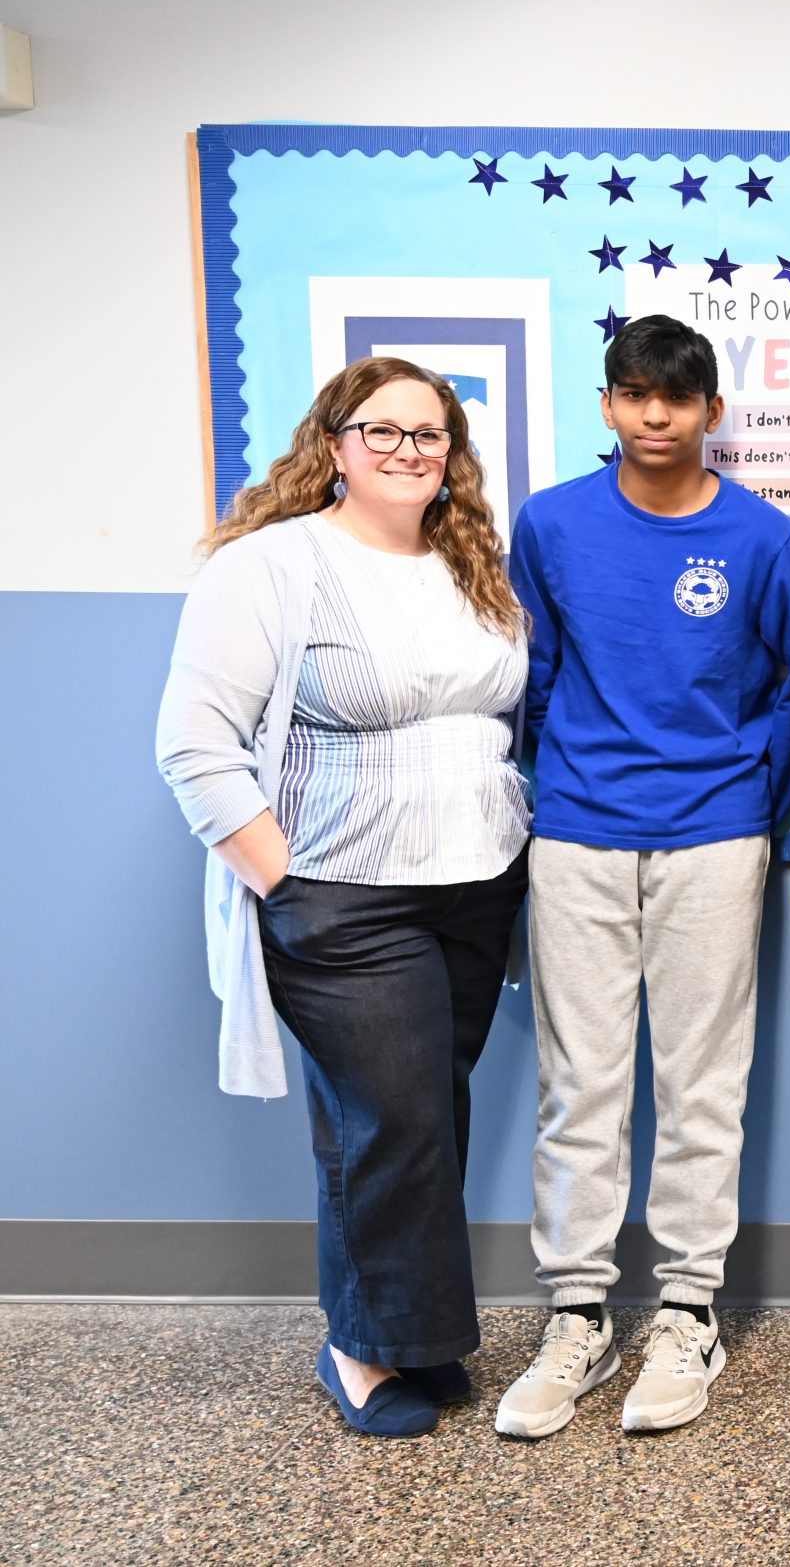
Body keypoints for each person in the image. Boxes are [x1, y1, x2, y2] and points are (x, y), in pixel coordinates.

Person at [155, 357, 528, 1437]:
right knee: (388, 1120)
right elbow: (193, 746)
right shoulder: (273, 565)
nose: (410, 450)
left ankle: (415, 1333)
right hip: (344, 894)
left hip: (472, 889)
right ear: (333, 444)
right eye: (385, 430)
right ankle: (362, 1349)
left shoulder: (472, 566)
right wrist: (288, 877)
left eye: (431, 433)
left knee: (429, 1116)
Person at [493, 315, 790, 1439]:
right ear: (606, 404)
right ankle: (577, 1314)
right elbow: (530, 671)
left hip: (716, 835)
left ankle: (689, 1308)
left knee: (701, 1079)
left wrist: (754, 793)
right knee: (579, 1081)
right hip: (580, 832)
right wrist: (554, 777)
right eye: (633, 394)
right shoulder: (550, 523)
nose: (653, 415)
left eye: (675, 400)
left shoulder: (761, 537)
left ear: (709, 413)